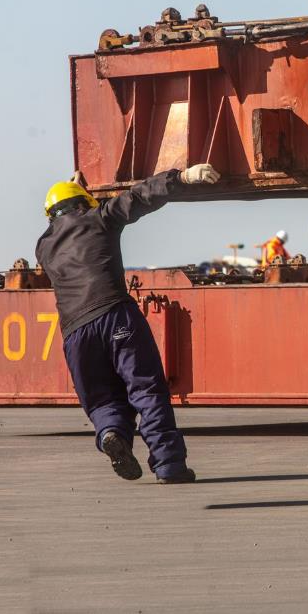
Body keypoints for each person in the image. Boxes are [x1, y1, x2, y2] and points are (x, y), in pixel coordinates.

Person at [36, 164, 220, 483]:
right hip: (116, 315)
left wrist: (76, 192)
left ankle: (111, 432)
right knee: (146, 389)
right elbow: (140, 196)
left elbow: (62, 218)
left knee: (103, 398)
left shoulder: (44, 247)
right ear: (84, 204)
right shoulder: (101, 218)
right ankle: (169, 465)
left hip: (76, 333)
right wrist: (182, 178)